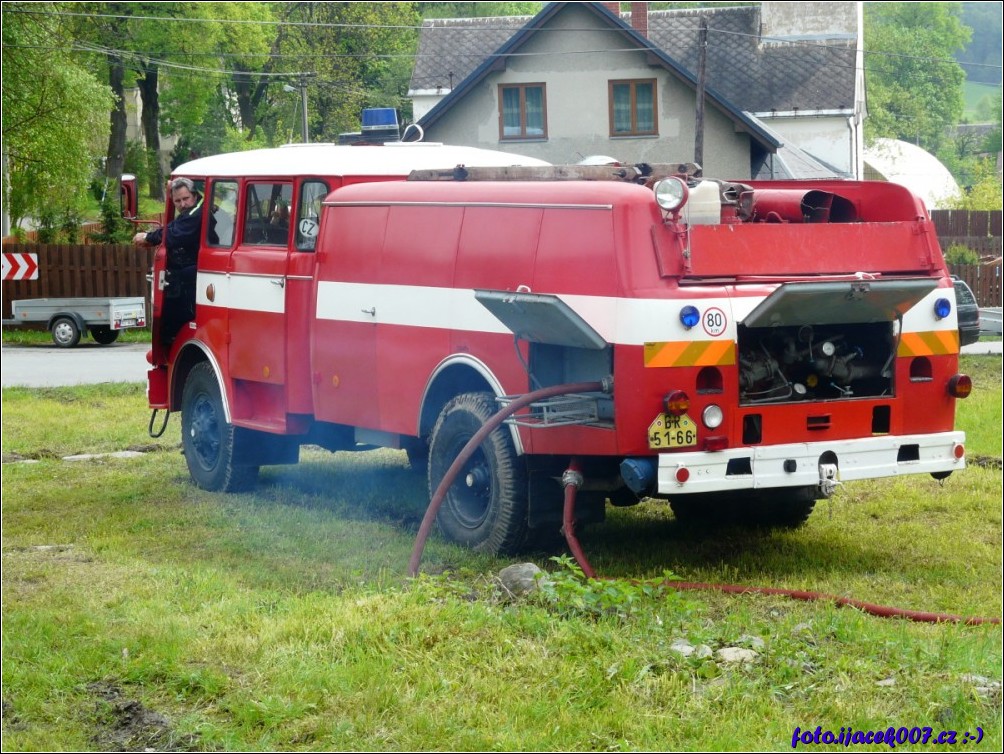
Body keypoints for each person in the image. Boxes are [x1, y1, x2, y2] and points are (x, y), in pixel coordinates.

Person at [134, 177, 214, 343]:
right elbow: (173, 228)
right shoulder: (198, 210)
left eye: (185, 199)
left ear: (194, 195)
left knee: (180, 283)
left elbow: (175, 235)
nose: (182, 204)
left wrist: (149, 237)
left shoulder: (196, 214)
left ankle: (175, 339)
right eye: (177, 201)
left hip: (202, 269)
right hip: (201, 264)